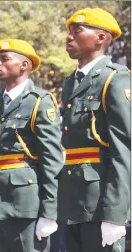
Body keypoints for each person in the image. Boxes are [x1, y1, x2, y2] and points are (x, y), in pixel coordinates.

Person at [58, 7, 131, 252]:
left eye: (77, 31)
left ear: (100, 38)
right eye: (69, 32)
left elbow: (125, 150)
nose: (69, 37)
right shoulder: (70, 83)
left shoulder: (115, 79)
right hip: (73, 202)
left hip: (101, 203)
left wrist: (115, 213)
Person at [0, 39, 64, 252]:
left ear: (24, 65)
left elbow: (51, 160)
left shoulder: (39, 101)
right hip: (0, 202)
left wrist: (49, 213)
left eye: (4, 59)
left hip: (28, 205)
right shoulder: (0, 101)